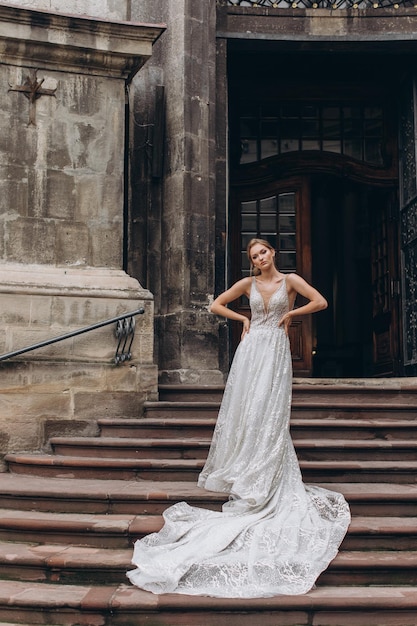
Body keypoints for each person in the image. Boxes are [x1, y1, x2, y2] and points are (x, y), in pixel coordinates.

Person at [127, 238, 351, 598]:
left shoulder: (289, 280)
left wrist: (292, 314)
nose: (260, 258)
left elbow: (321, 301)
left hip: (276, 347)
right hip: (252, 347)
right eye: (254, 256)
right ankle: (247, 465)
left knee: (270, 409)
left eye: (263, 252)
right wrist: (242, 318)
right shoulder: (247, 285)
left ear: (273, 253)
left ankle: (267, 472)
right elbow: (216, 304)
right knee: (249, 408)